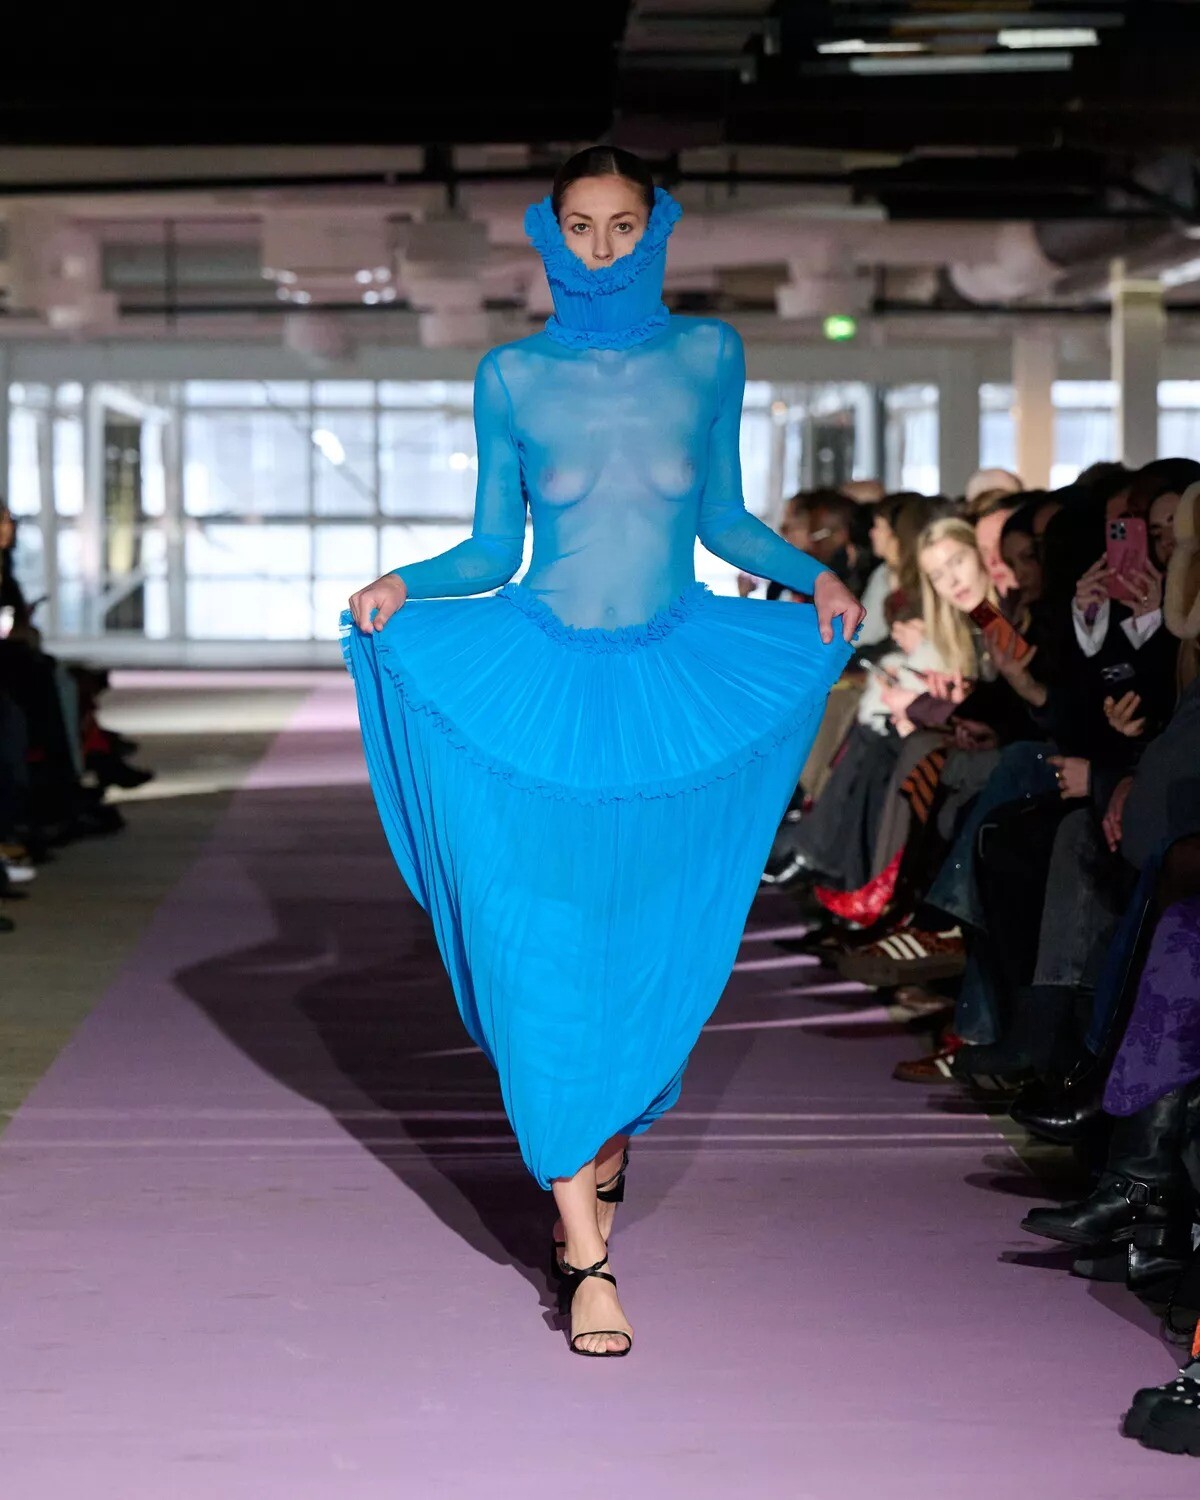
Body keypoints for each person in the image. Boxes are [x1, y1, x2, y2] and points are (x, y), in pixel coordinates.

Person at [341, 145, 864, 1359]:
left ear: (657, 225)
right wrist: (404, 583)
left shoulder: (709, 355)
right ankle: (587, 1255)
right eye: (580, 225)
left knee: (648, 948)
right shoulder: (512, 374)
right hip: (543, 689)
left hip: (672, 685)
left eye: (623, 223)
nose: (602, 248)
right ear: (548, 232)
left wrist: (818, 575)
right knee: (542, 957)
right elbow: (493, 551)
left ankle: (603, 1143)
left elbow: (723, 518)